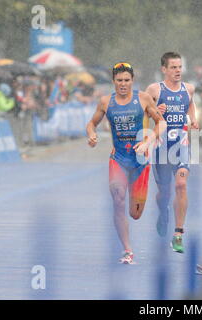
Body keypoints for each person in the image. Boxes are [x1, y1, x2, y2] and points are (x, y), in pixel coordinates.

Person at [86, 62, 166, 264]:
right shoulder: (106, 102)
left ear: (132, 81)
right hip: (119, 158)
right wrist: (91, 135)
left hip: (140, 161)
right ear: (113, 81)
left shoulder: (143, 98)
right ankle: (127, 250)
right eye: (119, 80)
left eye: (127, 80)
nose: (123, 84)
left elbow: (161, 123)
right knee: (118, 197)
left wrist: (147, 141)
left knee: (135, 214)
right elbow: (91, 123)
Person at [145, 52, 199, 253]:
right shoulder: (154, 89)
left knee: (181, 184)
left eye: (179, 67)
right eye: (173, 67)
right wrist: (156, 111)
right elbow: (142, 110)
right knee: (164, 193)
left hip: (182, 144)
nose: (178, 71)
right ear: (164, 69)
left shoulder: (189, 88)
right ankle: (163, 211)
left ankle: (178, 234)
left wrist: (193, 119)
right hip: (161, 147)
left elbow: (190, 104)